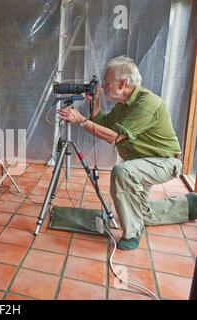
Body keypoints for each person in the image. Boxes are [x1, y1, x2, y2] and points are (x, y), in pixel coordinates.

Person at [57, 55, 197, 250]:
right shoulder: (123, 104)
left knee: (122, 172)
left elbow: (114, 137)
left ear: (122, 83)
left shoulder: (147, 103)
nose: (103, 87)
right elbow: (102, 124)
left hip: (163, 162)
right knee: (138, 212)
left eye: (106, 83)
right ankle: (189, 206)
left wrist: (81, 120)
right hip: (141, 161)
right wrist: (95, 102)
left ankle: (132, 233)